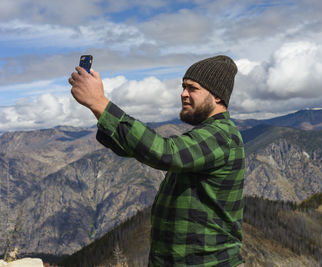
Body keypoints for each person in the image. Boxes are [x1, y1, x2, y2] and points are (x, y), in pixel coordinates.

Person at [69, 55, 245, 267]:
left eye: (192, 88)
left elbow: (163, 152)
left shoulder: (221, 136)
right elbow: (143, 150)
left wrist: (100, 102)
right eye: (183, 87)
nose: (183, 94)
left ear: (217, 96)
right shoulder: (209, 134)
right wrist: (95, 107)